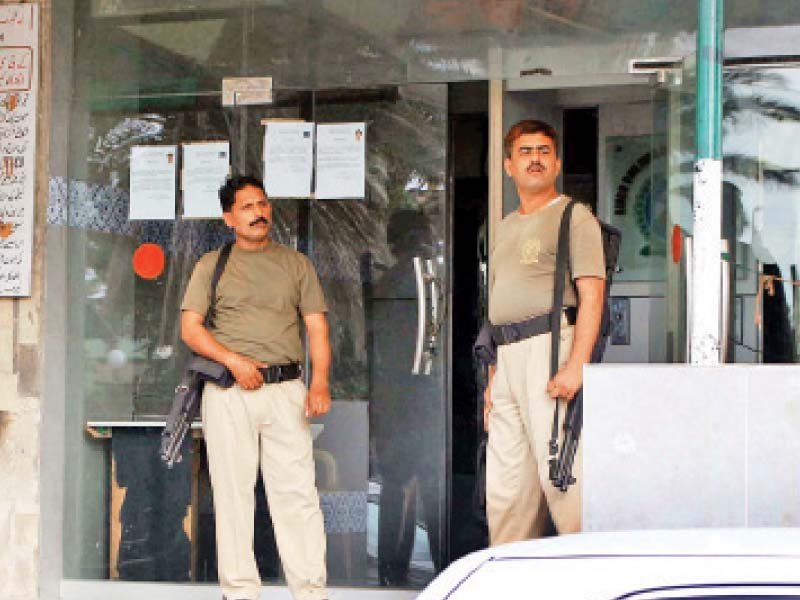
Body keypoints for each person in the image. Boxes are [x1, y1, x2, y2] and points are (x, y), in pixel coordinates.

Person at [180, 175, 331, 600]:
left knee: (297, 494)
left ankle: (310, 591)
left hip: (286, 390)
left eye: (262, 204)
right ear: (229, 217)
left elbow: (317, 328)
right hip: (230, 391)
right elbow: (190, 329)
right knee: (233, 494)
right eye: (246, 207)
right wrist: (233, 361)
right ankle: (241, 592)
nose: (258, 213)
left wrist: (319, 383)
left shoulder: (295, 264)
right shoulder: (213, 264)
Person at [484, 120, 605, 545]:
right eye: (524, 151)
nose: (534, 158)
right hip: (508, 358)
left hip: (551, 350)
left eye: (542, 151)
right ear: (508, 165)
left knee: (564, 481)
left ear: (556, 163)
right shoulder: (503, 226)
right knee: (507, 490)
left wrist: (577, 366)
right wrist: (494, 375)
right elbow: (499, 305)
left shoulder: (574, 217)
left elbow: (592, 296)